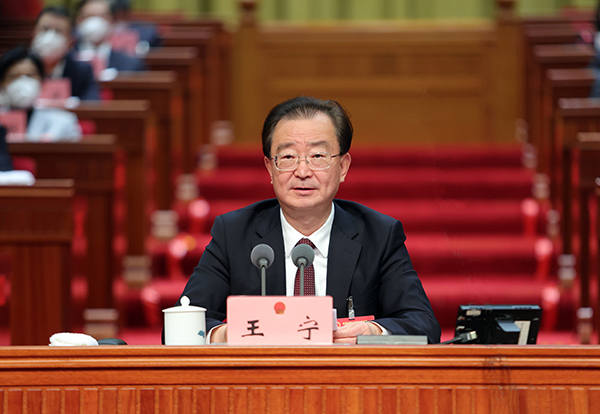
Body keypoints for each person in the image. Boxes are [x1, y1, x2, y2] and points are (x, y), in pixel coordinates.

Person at [173, 96, 440, 344]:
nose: (302, 171)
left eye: (318, 156)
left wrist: (372, 333)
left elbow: (424, 325)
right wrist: (228, 333)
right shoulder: (234, 234)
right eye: (288, 157)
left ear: (343, 167)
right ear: (270, 168)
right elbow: (180, 324)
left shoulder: (379, 235)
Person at [0, 47, 81, 141]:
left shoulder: (64, 121)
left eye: (30, 76)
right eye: (14, 77)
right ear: (2, 83)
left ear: (42, 80)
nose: (22, 82)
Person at [32, 6, 100, 100]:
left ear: (70, 41)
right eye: (45, 29)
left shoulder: (82, 72)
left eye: (58, 32)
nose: (49, 37)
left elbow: (92, 103)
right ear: (34, 32)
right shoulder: (18, 66)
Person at [75, 0, 146, 73]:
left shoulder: (131, 65)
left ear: (112, 21)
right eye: (89, 16)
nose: (96, 22)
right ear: (78, 20)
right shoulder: (68, 61)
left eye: (102, 16)